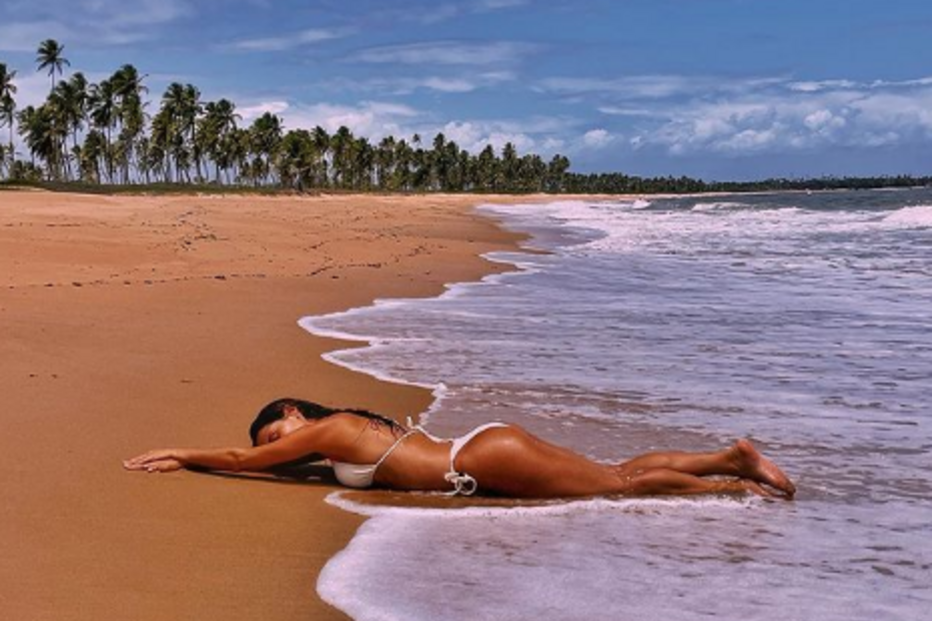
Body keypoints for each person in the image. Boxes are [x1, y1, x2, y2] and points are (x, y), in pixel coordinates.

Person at [123, 397, 796, 499]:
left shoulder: (331, 428)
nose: (284, 443)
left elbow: (243, 462)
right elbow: (271, 466)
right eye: (279, 441)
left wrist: (183, 453)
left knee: (616, 487)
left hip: (477, 460)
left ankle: (728, 492)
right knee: (615, 474)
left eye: (282, 429)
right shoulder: (332, 442)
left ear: (300, 412)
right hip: (481, 449)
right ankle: (728, 461)